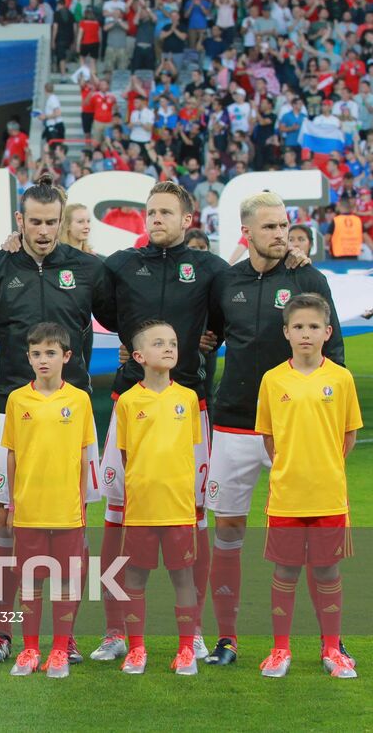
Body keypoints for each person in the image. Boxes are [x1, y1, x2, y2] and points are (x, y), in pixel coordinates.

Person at [0, 175, 115, 664]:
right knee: (6, 520)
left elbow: (126, 318)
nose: (45, 231)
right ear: (20, 221)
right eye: (36, 221)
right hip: (13, 407)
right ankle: (2, 632)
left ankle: (66, 635)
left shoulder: (89, 269)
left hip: (76, 410)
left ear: (63, 221)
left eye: (53, 222)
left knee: (74, 519)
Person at [204, 193, 344, 667]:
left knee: (313, 539)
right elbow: (212, 335)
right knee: (228, 528)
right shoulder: (227, 281)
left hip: (295, 431)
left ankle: (330, 641)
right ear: (247, 233)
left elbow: (335, 355)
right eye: (269, 228)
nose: (281, 235)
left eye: (284, 225)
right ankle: (228, 639)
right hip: (236, 423)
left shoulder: (308, 277)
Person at [90, 182, 226, 663]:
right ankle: (114, 631)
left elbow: (234, 313)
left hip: (191, 405)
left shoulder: (210, 269)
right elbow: (101, 305)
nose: (156, 219)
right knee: (116, 514)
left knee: (194, 517)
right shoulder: (123, 264)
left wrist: (210, 339)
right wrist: (131, 342)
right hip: (131, 400)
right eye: (150, 212)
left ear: (188, 219)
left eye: (166, 212)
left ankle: (195, 633)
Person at [255, 294, 360, 679]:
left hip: (329, 494)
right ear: (286, 332)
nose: (305, 333)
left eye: (313, 326)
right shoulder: (272, 380)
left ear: (327, 332)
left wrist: (324, 466)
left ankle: (331, 648)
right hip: (286, 496)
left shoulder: (341, 378)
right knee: (285, 572)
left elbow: (347, 437)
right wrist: (293, 467)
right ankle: (280, 650)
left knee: (327, 573)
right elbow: (268, 438)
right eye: (297, 326)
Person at [1, 322, 94, 678]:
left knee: (66, 581)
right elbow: (11, 456)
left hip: (66, 510)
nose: (43, 360)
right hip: (28, 509)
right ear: (28, 357)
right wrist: (12, 504)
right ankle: (29, 649)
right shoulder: (17, 399)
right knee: (30, 582)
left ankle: (59, 650)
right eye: (36, 353)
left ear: (66, 357)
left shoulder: (80, 400)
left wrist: (81, 504)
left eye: (51, 353)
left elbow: (84, 457)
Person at [112, 320, 203, 676]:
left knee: (183, 579)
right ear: (139, 356)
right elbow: (125, 456)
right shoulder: (129, 401)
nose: (168, 348)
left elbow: (188, 452)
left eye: (173, 342)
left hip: (179, 507)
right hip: (142, 509)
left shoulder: (188, 398)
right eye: (159, 343)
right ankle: (136, 649)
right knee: (135, 578)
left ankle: (185, 650)